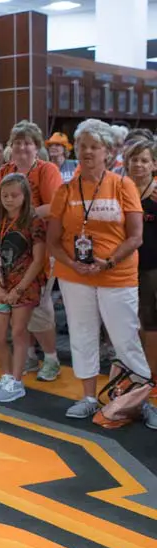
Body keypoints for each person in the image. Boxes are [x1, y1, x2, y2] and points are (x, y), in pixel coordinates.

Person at [47, 119, 156, 426]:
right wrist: (72, 263)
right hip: (75, 276)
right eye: (82, 146)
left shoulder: (123, 186)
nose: (87, 152)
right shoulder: (65, 190)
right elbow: (52, 241)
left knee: (125, 339)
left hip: (117, 276)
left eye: (94, 147)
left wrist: (106, 263)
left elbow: (136, 237)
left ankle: (140, 400)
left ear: (108, 152)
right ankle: (88, 398)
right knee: (82, 336)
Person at [0, 120, 63, 382]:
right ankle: (28, 354)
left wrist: (23, 216)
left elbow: (55, 206)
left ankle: (51, 357)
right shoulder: (4, 170)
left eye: (27, 143)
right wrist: (14, 214)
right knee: (18, 309)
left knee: (39, 305)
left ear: (37, 146)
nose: (22, 148)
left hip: (41, 247)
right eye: (17, 143)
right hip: (8, 252)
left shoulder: (47, 170)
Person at [0, 174, 46, 403]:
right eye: (5, 195)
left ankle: (17, 381)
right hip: (1, 284)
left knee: (19, 332)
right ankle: (7, 375)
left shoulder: (34, 221)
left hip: (24, 286)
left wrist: (18, 290)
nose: (9, 199)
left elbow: (38, 260)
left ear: (25, 196)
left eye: (14, 195)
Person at [125, 138, 157, 380]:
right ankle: (132, 369)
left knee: (149, 320)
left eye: (144, 160)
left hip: (150, 267)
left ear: (154, 165)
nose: (138, 165)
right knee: (127, 321)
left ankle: (151, 372)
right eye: (134, 160)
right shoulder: (120, 189)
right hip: (123, 266)